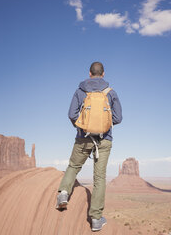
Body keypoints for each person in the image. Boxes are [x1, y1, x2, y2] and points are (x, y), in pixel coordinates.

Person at [56, 62, 122, 232]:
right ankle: (96, 219)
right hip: (104, 139)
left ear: (90, 73)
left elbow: (71, 114)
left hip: (83, 137)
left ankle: (63, 193)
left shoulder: (81, 90)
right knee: (99, 178)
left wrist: (82, 126)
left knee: (73, 166)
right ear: (104, 73)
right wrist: (103, 125)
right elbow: (119, 118)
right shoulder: (111, 92)